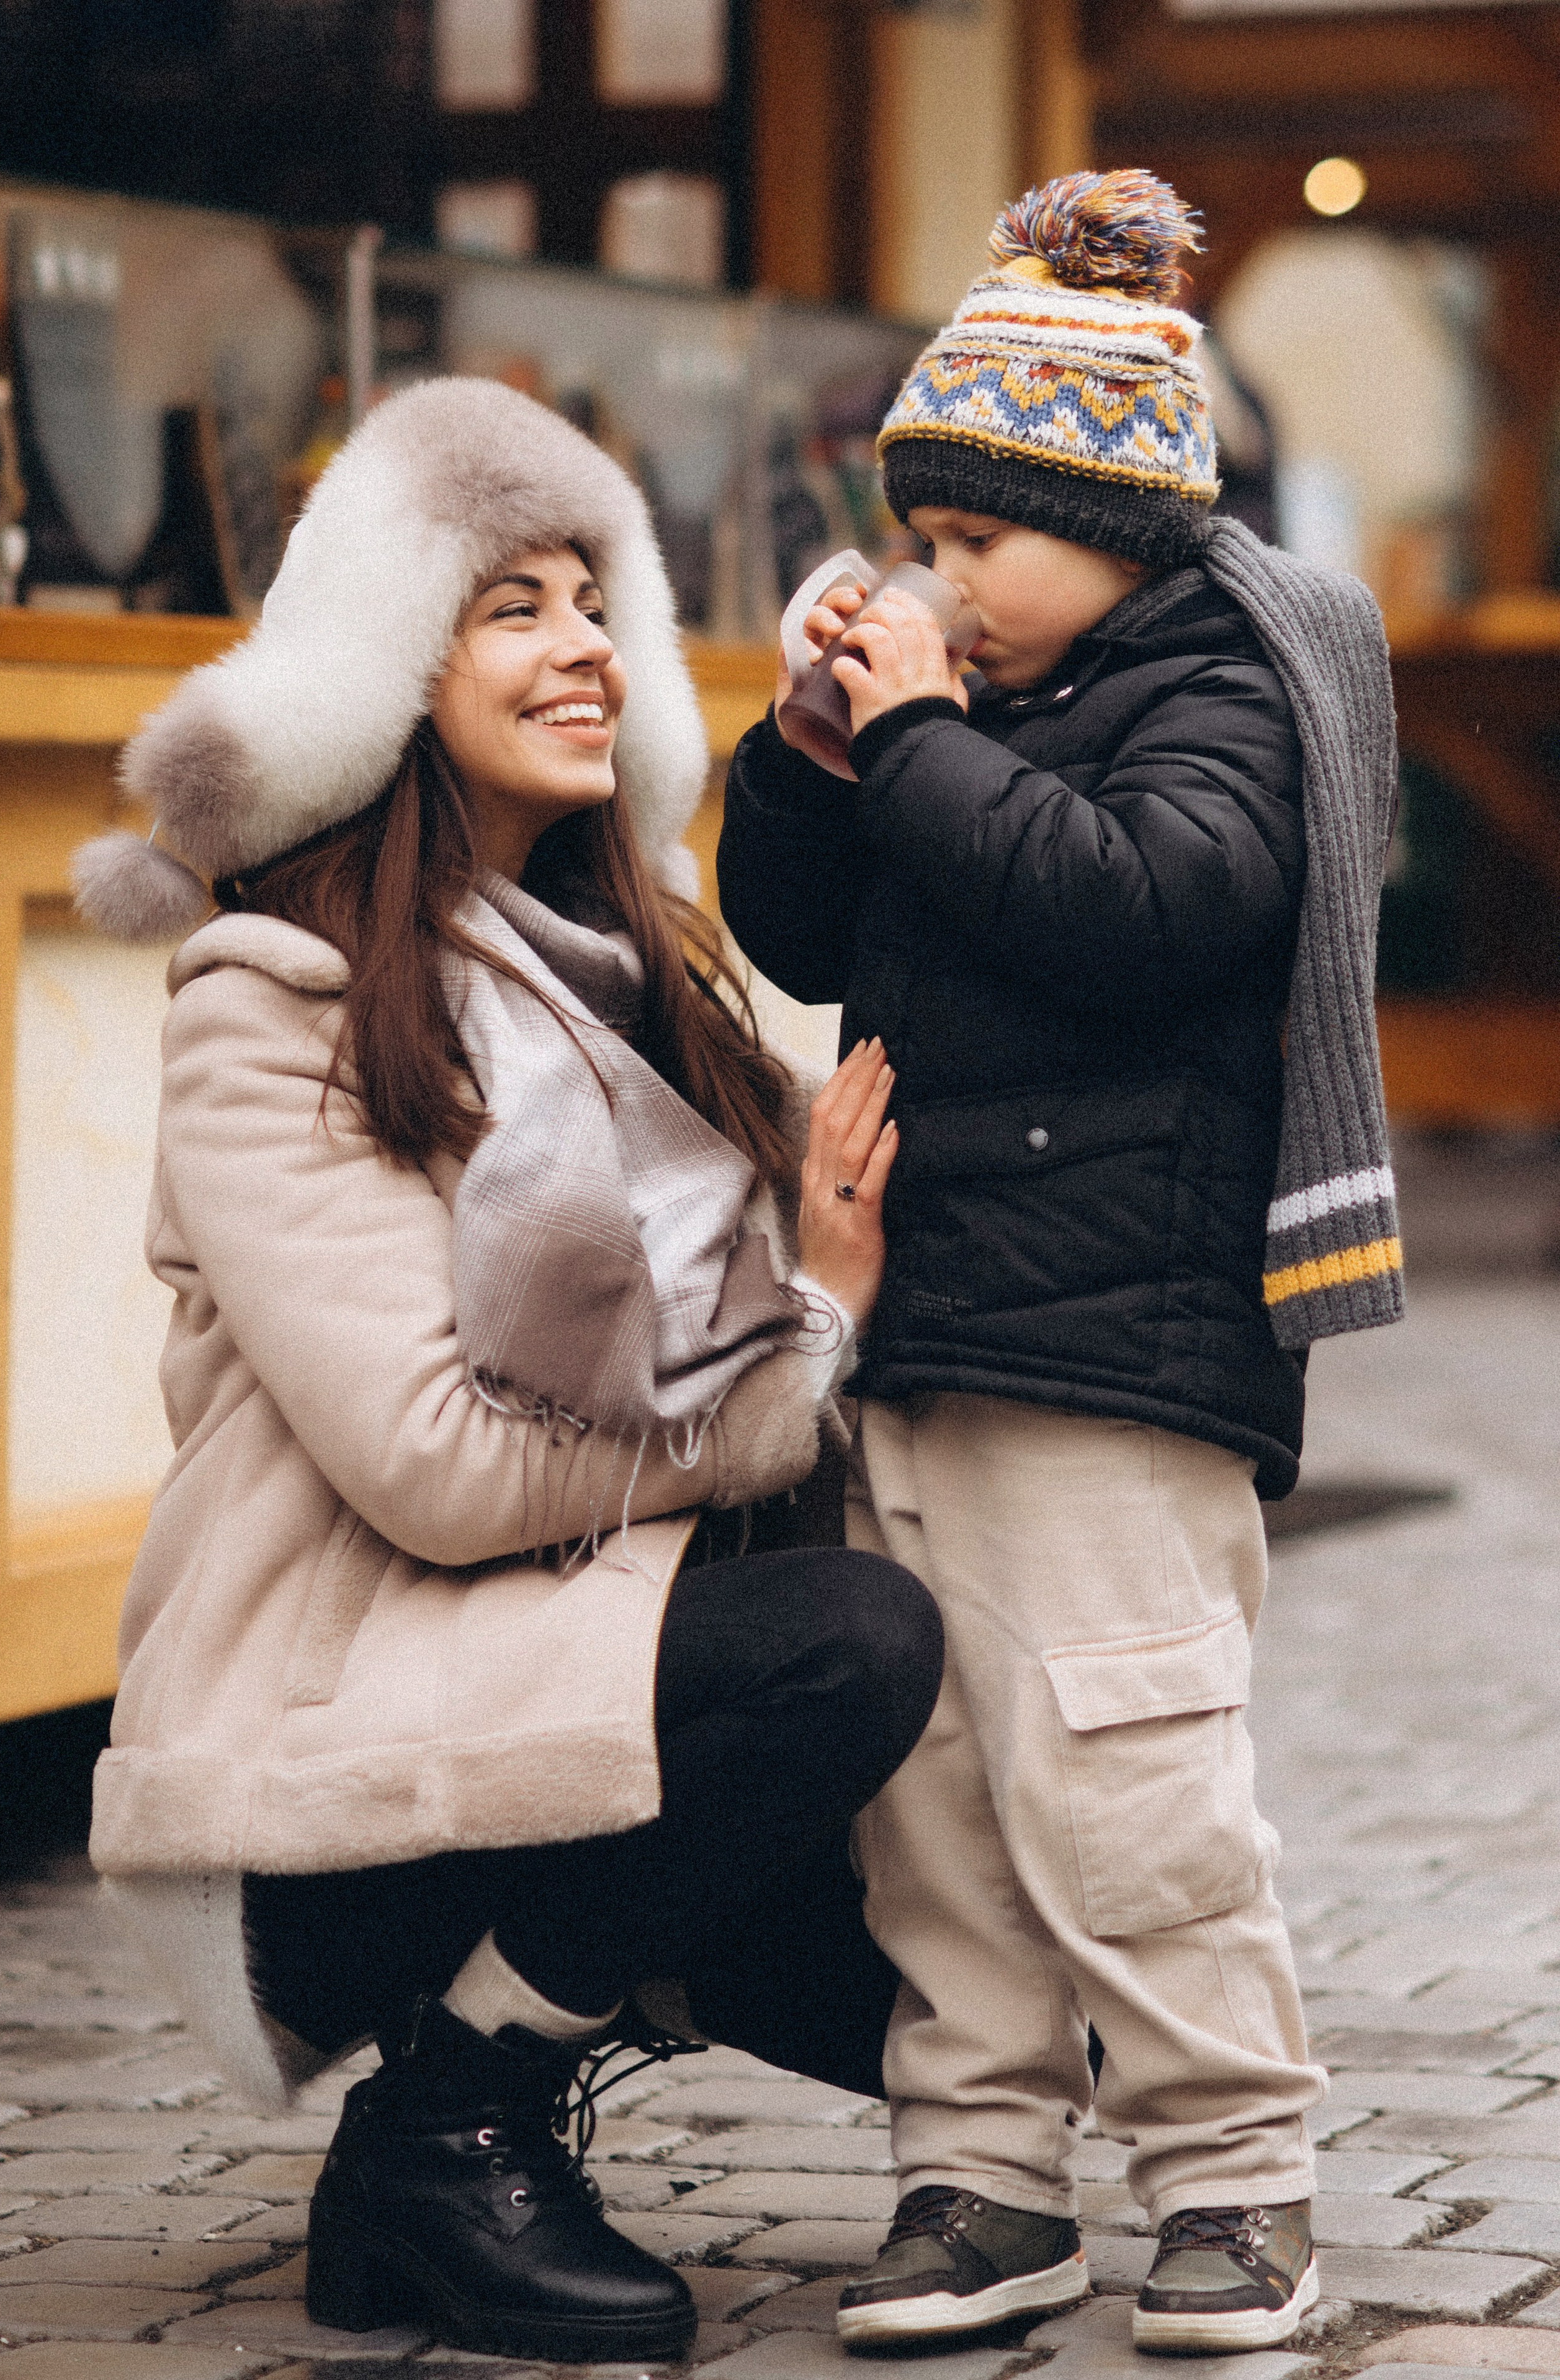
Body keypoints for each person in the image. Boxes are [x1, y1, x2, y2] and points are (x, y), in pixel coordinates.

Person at [73, 377, 943, 2368]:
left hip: (548, 1685)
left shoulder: (637, 984)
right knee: (845, 1641)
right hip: (334, 1784)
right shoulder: (268, 1018)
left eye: (592, 602)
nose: (584, 652)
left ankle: (505, 2092)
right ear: (393, 666)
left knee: (996, 1998)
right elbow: (443, 1474)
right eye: (513, 608)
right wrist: (799, 1336)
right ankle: (445, 2118)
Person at [719, 170, 1403, 2355]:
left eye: (972, 544)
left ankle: (1237, 2180)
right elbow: (798, 938)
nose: (938, 584)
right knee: (937, 1810)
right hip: (927, 1322)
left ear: (1115, 522)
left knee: (1127, 1785)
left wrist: (919, 733)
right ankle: (983, 2177)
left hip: (1122, 1349)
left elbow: (1140, 911)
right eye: (919, 545)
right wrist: (825, 764)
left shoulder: (1230, 690)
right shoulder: (973, 714)